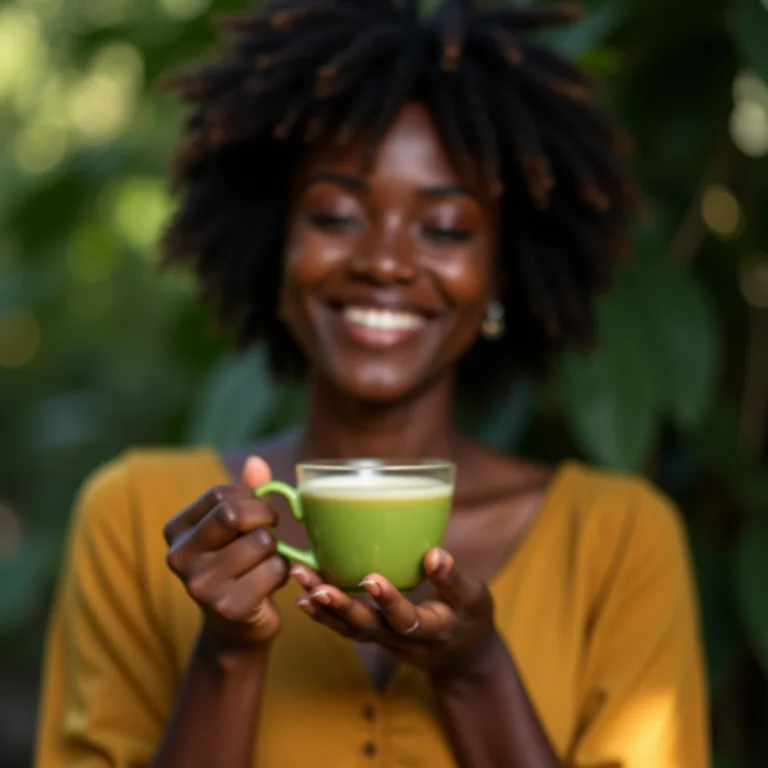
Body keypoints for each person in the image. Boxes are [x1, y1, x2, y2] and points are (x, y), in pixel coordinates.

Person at [34, 1, 709, 766]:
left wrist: (473, 670)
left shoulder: (619, 539)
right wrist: (227, 652)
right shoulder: (133, 518)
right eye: (335, 215)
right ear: (274, 248)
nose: (384, 261)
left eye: (446, 228)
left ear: (499, 274)